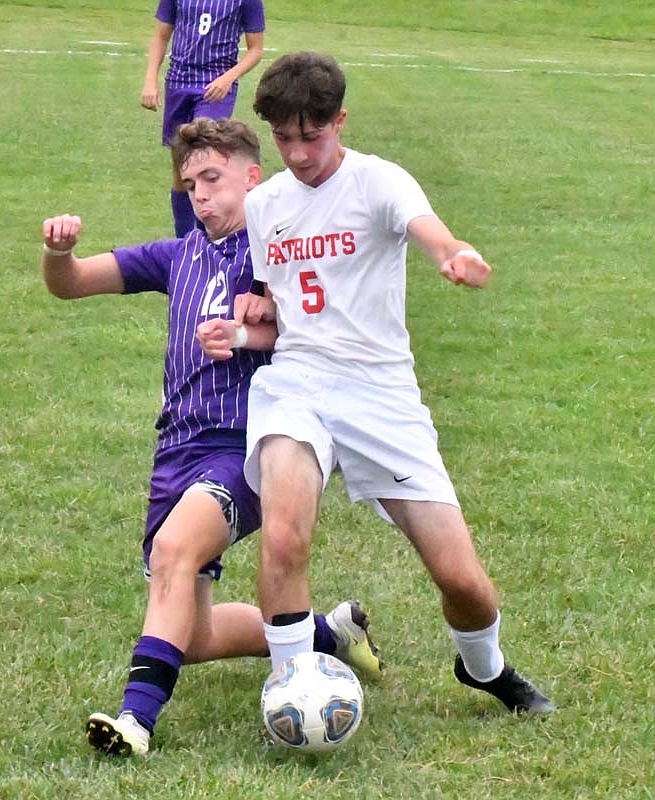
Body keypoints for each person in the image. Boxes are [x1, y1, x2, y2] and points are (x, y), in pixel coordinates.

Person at [196, 52, 555, 715]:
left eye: (313, 134)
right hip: (296, 386)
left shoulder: (380, 182)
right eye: (284, 137)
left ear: (341, 121)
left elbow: (433, 236)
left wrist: (457, 256)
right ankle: (292, 689)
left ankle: (484, 668)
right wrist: (249, 316)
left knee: (464, 583)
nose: (299, 153)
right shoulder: (265, 204)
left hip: (380, 394)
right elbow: (277, 302)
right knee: (284, 535)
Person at [39, 117, 382, 758]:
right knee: (190, 636)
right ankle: (328, 636)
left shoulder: (278, 252)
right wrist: (59, 252)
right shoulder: (177, 256)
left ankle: (136, 720)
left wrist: (258, 327)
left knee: (174, 550)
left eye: (213, 179)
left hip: (246, 449)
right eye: (190, 182)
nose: (199, 194)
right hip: (175, 449)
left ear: (254, 178)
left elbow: (323, 331)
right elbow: (73, 284)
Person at [141, 0, 266, 238]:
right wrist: (150, 80)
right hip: (178, 83)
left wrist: (228, 78)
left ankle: (206, 237)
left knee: (200, 154)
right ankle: (185, 242)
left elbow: (256, 49)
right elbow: (161, 35)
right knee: (181, 167)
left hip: (215, 88)